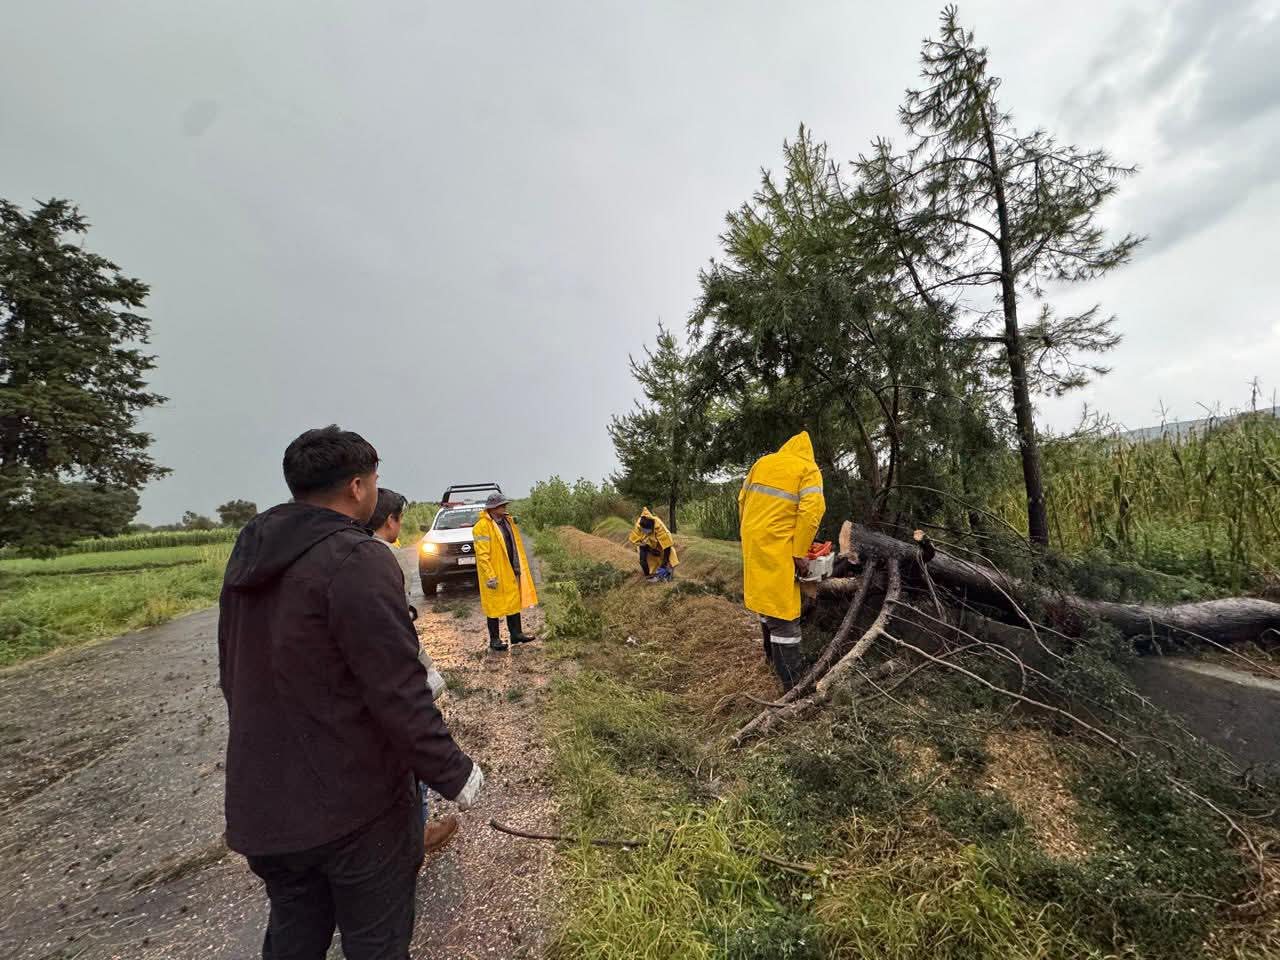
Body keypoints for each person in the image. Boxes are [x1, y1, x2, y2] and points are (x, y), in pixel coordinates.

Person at [219, 426, 484, 960]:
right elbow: (398, 691)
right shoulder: (357, 559)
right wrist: (453, 771)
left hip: (265, 806)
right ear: (359, 487)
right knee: (376, 943)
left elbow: (235, 675)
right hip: (353, 811)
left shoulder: (248, 558)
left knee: (294, 937)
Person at [367, 486, 457, 855]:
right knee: (406, 751)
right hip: (389, 673)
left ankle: (398, 833)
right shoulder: (382, 557)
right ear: (391, 520)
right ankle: (415, 835)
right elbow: (398, 629)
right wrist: (427, 675)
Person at [738, 430, 826, 691]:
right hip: (779, 547)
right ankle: (792, 683)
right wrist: (799, 551)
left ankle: (770, 660)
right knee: (785, 616)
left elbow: (741, 501)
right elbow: (812, 512)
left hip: (754, 542)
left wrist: (750, 534)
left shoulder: (762, 463)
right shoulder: (808, 469)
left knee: (766, 603)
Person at [473, 492, 539, 651]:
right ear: (493, 508)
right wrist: (490, 576)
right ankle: (494, 640)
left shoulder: (507, 521)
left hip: (510, 569)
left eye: (505, 505)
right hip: (495, 573)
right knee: (493, 606)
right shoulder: (481, 527)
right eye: (502, 505)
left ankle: (516, 635)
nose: (505, 507)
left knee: (513, 602)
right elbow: (482, 555)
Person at [628, 507, 679, 581]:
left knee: (670, 555)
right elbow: (639, 543)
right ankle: (652, 574)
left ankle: (668, 573)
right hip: (648, 544)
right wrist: (649, 552)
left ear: (652, 526)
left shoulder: (659, 526)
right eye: (644, 530)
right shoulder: (639, 526)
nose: (646, 532)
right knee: (648, 559)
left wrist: (664, 564)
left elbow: (667, 546)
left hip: (661, 544)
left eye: (647, 530)